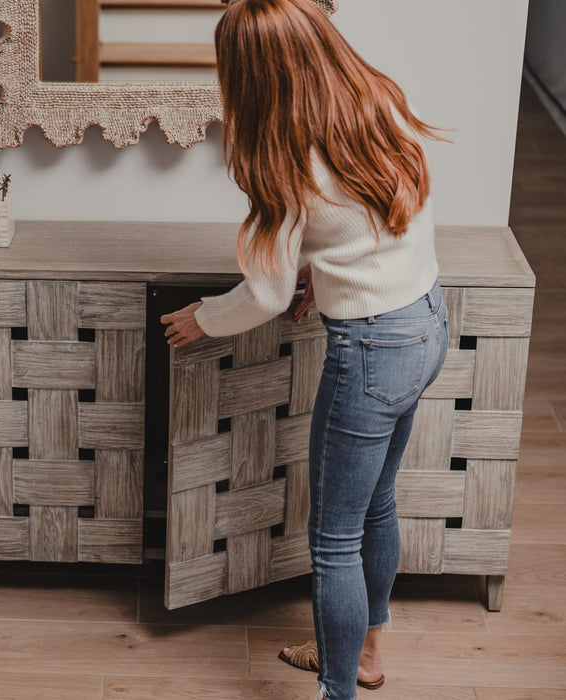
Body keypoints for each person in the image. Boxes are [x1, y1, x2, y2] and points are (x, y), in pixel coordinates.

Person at [158, 1, 450, 698]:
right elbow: (373, 218)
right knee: (377, 506)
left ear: (251, 74)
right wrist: (326, 269)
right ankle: (367, 655)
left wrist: (204, 317)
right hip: (427, 319)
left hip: (373, 351)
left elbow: (262, 294)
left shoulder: (285, 157)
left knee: (334, 542)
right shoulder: (374, 101)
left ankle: (338, 691)